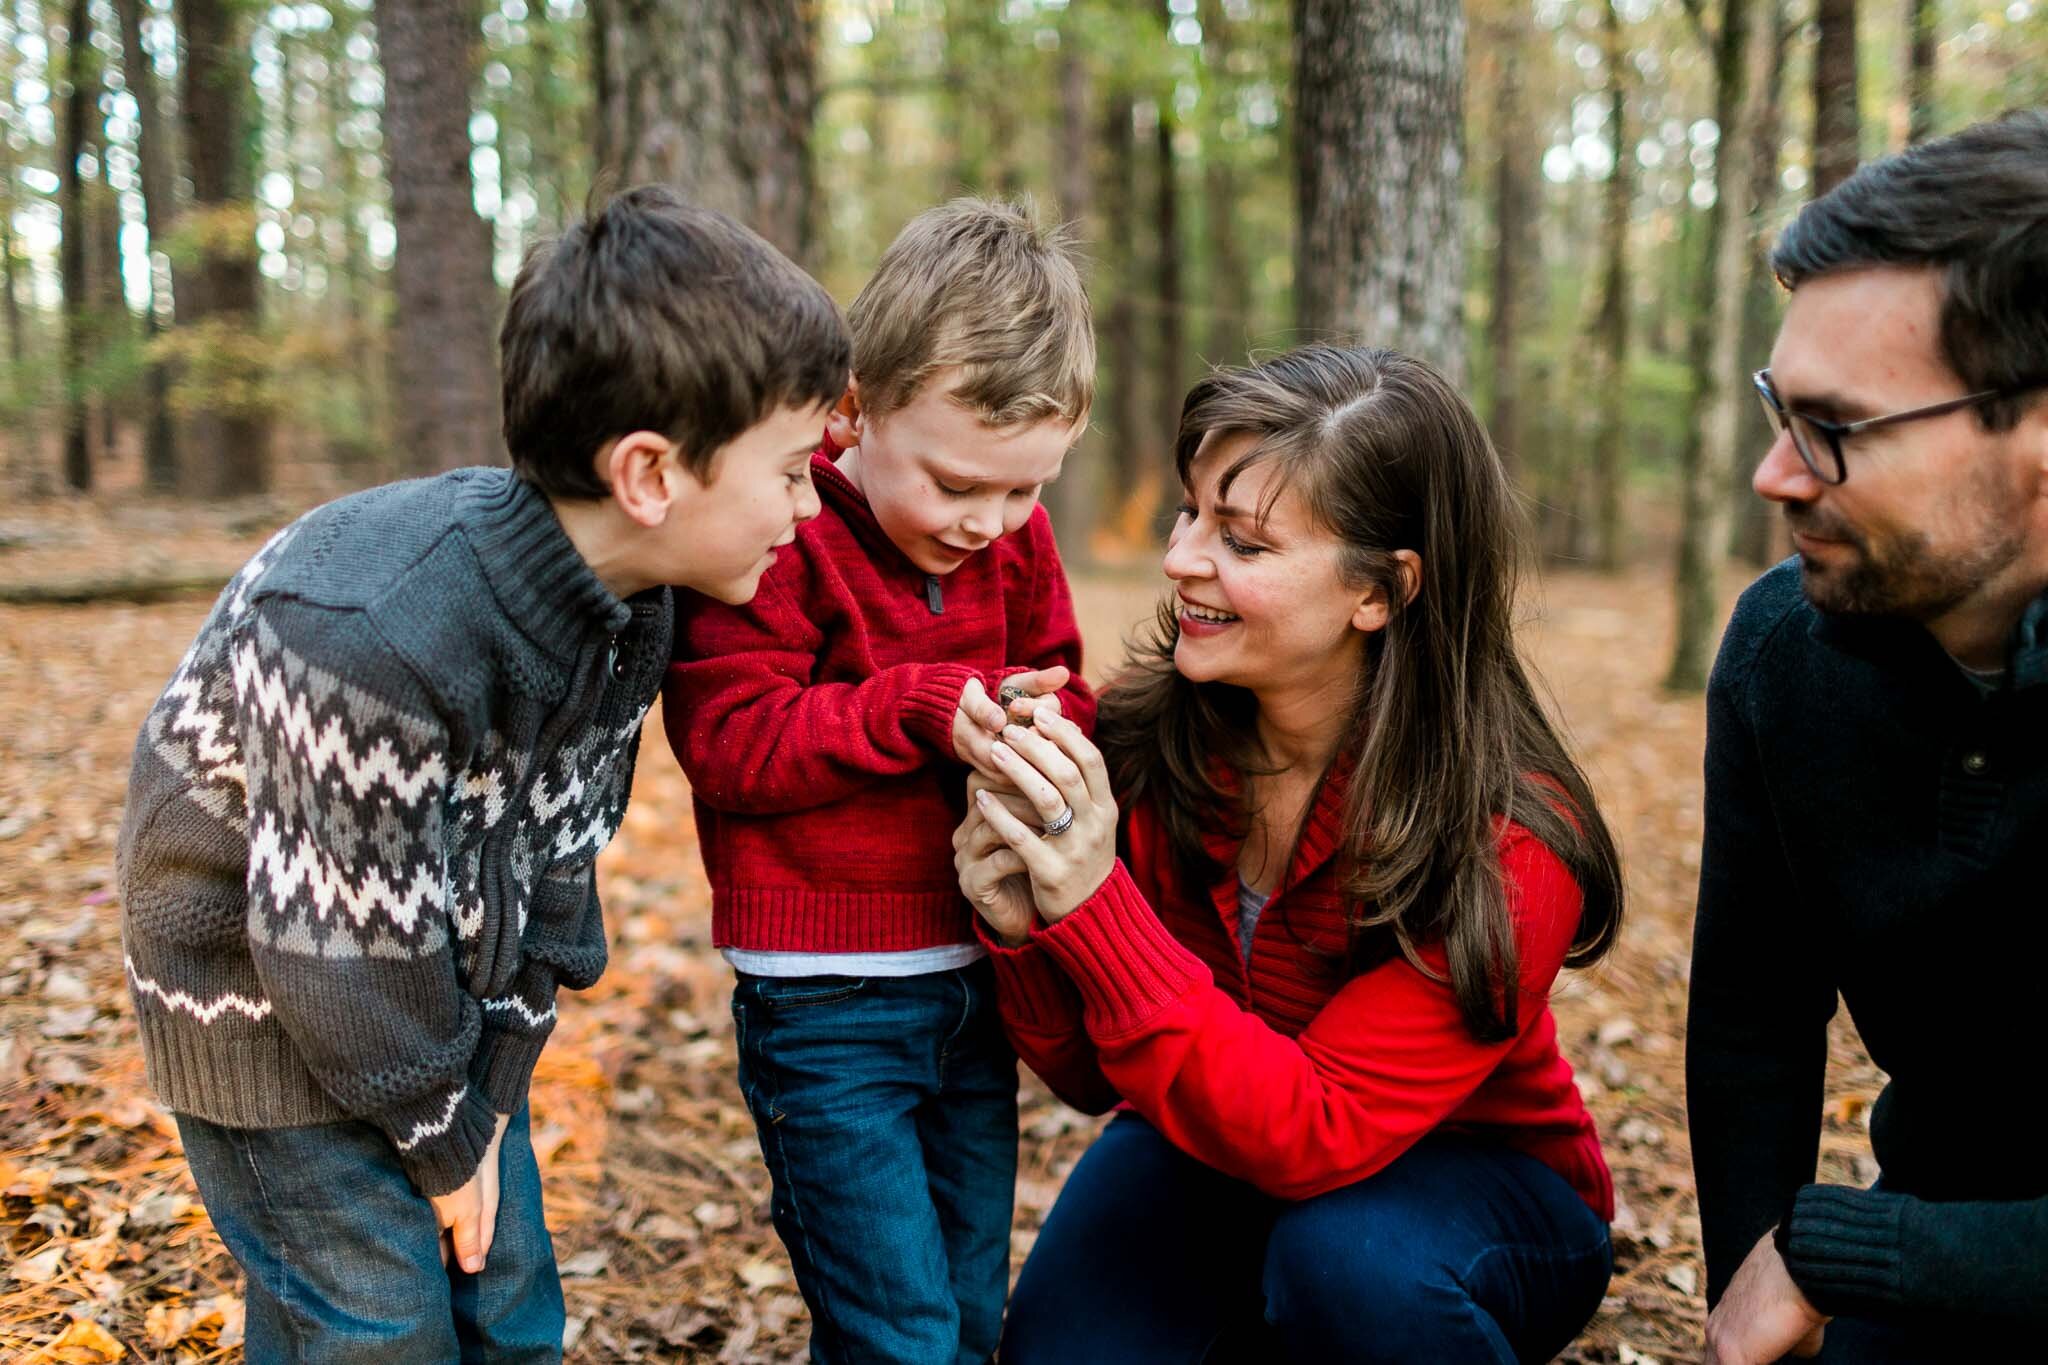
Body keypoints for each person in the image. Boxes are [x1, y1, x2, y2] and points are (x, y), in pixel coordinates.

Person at [114, 185, 850, 1362]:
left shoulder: (631, 614)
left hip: (427, 995)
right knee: (373, 1322)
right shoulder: (379, 628)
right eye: (793, 471)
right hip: (263, 994)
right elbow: (333, 948)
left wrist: (489, 1094)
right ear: (650, 475)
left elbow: (557, 866)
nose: (809, 512)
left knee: (507, 1304)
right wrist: (444, 1139)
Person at [951, 344, 1626, 1363]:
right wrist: (1022, 931)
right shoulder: (1146, 742)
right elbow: (1098, 1080)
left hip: (1476, 1181)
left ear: (1381, 590)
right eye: (1190, 515)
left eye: (1244, 543)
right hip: (1211, 1146)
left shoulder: (1507, 837)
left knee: (1344, 1265)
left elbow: (1317, 1129)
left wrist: (1095, 911)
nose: (1180, 558)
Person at [662, 197, 1097, 1364]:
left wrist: (1049, 726)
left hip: (976, 979)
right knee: (891, 1325)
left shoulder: (1013, 541)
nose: (988, 522)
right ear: (852, 413)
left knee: (962, 1305)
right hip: (826, 1000)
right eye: (957, 485)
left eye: (1024, 489)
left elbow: (1065, 676)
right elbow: (732, 739)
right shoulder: (779, 533)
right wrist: (915, 707)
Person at [1687, 110, 2048, 1364]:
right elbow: (1752, 1012)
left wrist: (1840, 1253)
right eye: (1775, 410)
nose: (1773, 475)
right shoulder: (1784, 654)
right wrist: (1750, 1272)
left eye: (1831, 425)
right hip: (1938, 1262)